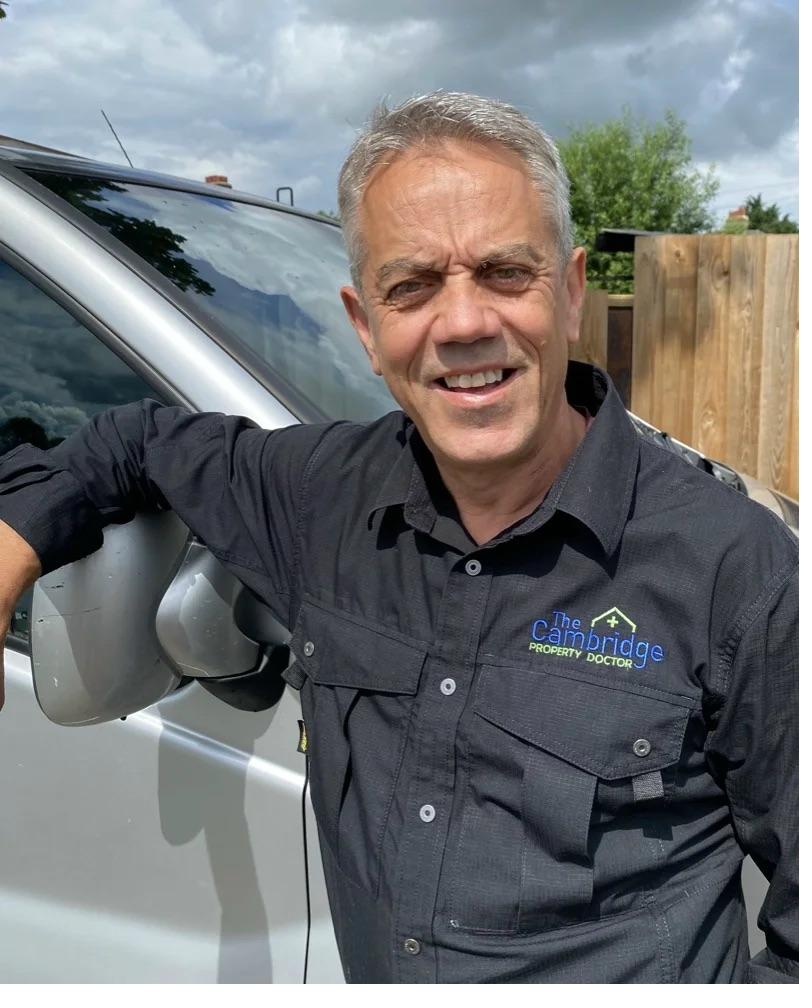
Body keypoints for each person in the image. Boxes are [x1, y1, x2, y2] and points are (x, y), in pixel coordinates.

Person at [0, 92, 798, 984]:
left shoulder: (736, 565)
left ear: (571, 293)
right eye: (412, 286)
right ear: (364, 328)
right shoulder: (318, 497)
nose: (462, 324)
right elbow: (133, 443)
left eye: (505, 272)